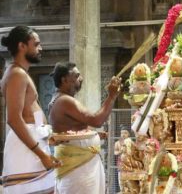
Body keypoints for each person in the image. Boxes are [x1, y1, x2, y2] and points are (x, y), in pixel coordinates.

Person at [0, 26, 60, 193]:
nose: (40, 48)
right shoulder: (16, 74)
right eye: (36, 44)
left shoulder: (20, 73)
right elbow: (13, 118)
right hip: (25, 149)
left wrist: (46, 134)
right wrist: (41, 154)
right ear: (22, 46)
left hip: (33, 143)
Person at [48, 62, 122, 194]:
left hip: (80, 166)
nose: (81, 79)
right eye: (76, 76)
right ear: (64, 80)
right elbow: (97, 120)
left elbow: (73, 129)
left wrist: (92, 135)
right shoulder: (65, 101)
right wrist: (111, 96)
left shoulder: (60, 99)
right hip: (78, 169)